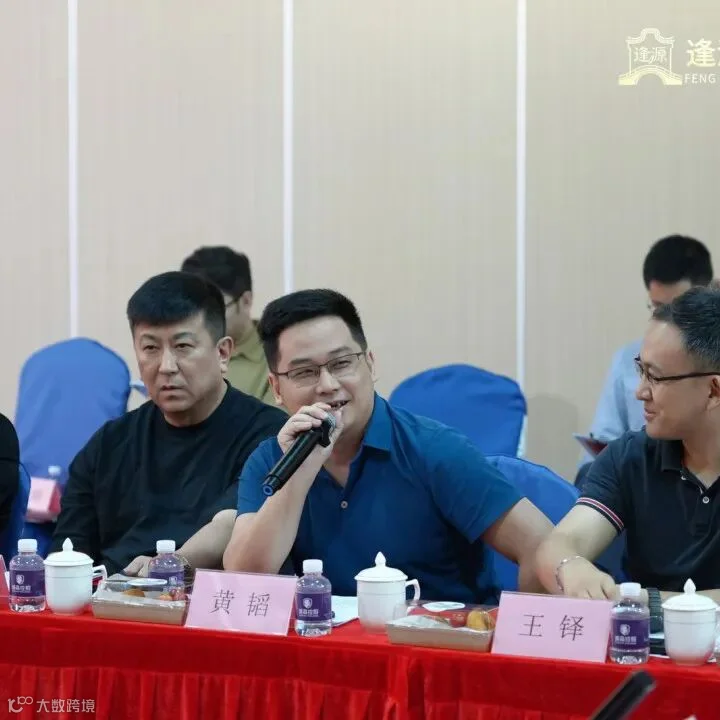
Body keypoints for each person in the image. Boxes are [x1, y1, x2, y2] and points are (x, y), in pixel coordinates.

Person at [221, 289, 552, 602]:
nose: (328, 385)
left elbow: (542, 547)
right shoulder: (271, 459)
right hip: (323, 640)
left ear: (370, 364)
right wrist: (299, 473)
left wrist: (518, 634)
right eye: (305, 372)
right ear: (276, 388)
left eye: (341, 363)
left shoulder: (435, 450)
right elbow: (245, 577)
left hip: (435, 639)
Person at [50, 272, 286, 575]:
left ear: (222, 353)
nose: (166, 367)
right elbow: (69, 552)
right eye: (150, 348)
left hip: (207, 599)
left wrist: (165, 568)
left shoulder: (269, 435)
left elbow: (232, 524)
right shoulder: (107, 445)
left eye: (183, 346)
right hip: (111, 598)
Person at [537, 287, 720, 621]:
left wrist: (644, 602)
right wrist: (571, 566)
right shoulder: (630, 457)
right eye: (641, 370)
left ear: (713, 390)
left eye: (656, 377)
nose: (640, 392)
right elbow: (560, 543)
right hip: (641, 647)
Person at [576, 235, 714, 487]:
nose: (641, 393)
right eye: (658, 308)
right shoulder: (627, 359)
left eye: (677, 310)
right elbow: (600, 447)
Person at [181, 246, 275, 405]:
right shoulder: (182, 351)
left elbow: (275, 420)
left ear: (246, 301)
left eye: (215, 308)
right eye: (194, 308)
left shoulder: (277, 355)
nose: (202, 319)